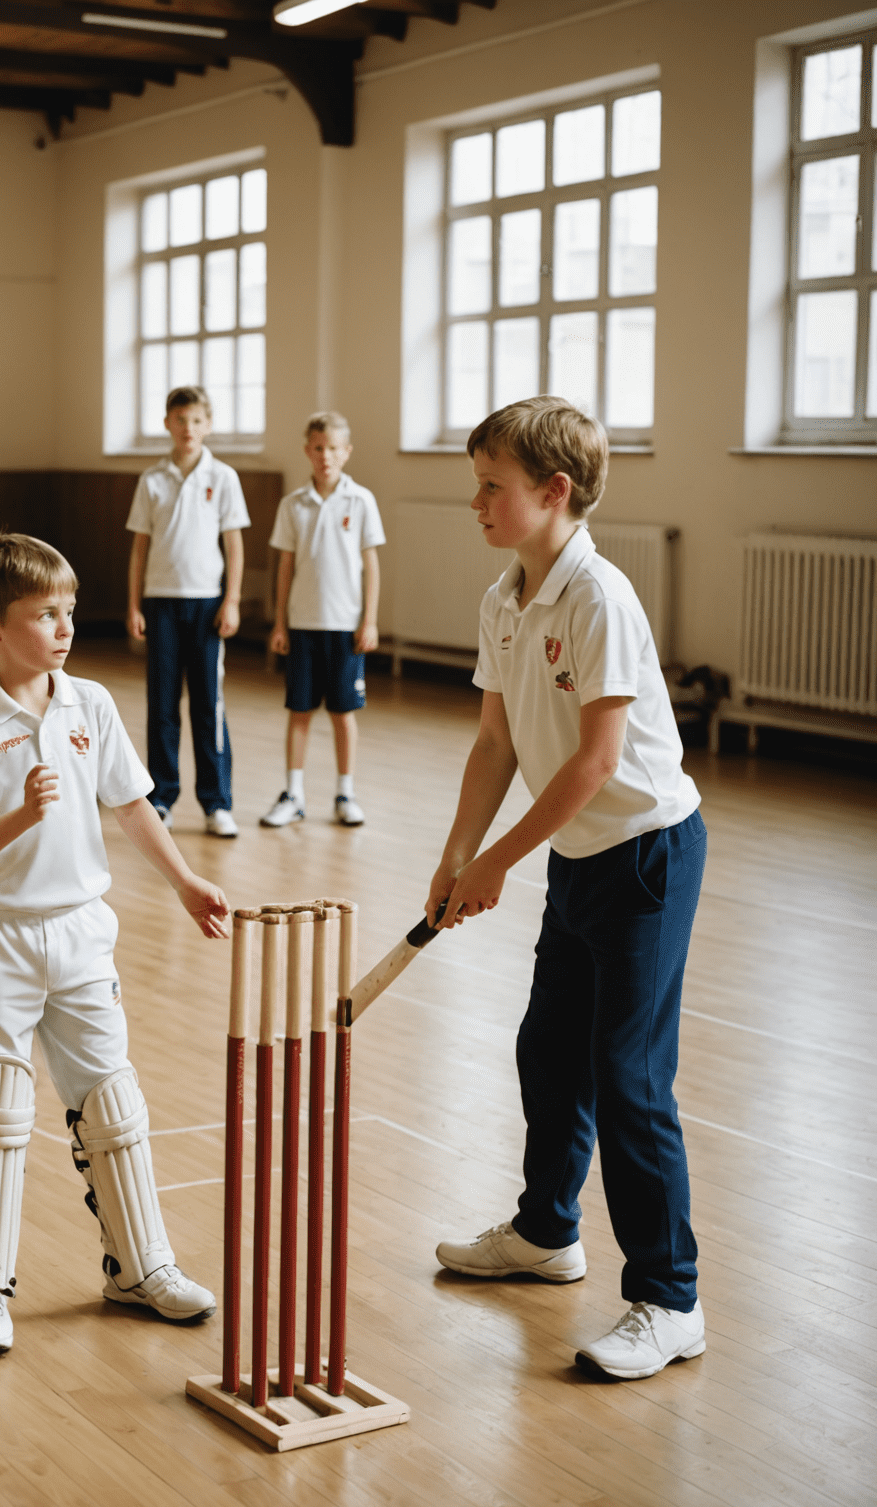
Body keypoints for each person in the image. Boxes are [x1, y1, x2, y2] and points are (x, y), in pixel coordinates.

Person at [425, 397, 708, 1382]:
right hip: (581, 855)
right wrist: (457, 849)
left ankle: (672, 1300)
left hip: (644, 854)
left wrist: (497, 860)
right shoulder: (505, 597)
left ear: (554, 493)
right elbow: (498, 741)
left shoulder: (598, 598)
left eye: (491, 485)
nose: (477, 502)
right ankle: (548, 1234)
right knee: (549, 1049)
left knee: (629, 1080)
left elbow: (592, 762)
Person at [0, 531, 228, 1353]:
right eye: (43, 615)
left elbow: (133, 805)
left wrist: (184, 882)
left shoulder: (90, 704)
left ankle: (141, 1268)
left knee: (112, 1100)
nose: (64, 627)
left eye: (68, 611)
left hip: (82, 936)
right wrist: (22, 816)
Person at [125, 385, 249, 839]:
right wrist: (134, 604)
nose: (188, 429)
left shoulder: (224, 477)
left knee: (208, 706)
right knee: (162, 705)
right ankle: (162, 798)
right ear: (167, 424)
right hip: (160, 603)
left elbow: (234, 546)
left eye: (197, 421)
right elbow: (139, 548)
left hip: (208, 605)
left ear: (208, 425)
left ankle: (217, 802)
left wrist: (232, 600)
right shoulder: (151, 480)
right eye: (180, 421)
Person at [261, 411, 384, 830]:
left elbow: (371, 565)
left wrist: (370, 620)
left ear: (346, 452)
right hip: (301, 626)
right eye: (318, 448)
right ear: (307, 451)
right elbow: (284, 568)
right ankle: (293, 794)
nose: (325, 456)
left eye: (333, 448)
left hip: (346, 627)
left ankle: (345, 793)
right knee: (299, 712)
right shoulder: (292, 505)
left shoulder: (361, 500)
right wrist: (279, 623)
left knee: (342, 714)